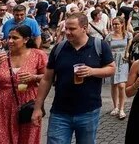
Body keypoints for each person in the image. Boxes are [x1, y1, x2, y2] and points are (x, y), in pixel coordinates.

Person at [31, 12, 115, 144]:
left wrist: (92, 71)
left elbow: (111, 69)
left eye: (72, 29)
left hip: (89, 111)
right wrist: (37, 107)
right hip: (60, 111)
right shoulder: (59, 48)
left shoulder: (99, 45)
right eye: (66, 28)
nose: (67, 32)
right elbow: (47, 79)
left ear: (84, 28)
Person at [0, 24, 46, 144]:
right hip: (1, 105)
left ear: (26, 39)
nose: (10, 41)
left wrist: (34, 77)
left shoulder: (38, 55)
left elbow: (48, 78)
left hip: (27, 104)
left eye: (15, 38)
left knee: (27, 139)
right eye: (9, 37)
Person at [106, 17, 132, 120]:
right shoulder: (109, 36)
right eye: (114, 24)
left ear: (122, 24)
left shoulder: (127, 35)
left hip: (123, 61)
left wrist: (127, 52)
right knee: (114, 84)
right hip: (113, 61)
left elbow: (130, 44)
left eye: (117, 24)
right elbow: (106, 49)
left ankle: (121, 108)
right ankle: (115, 106)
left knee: (121, 85)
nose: (115, 26)